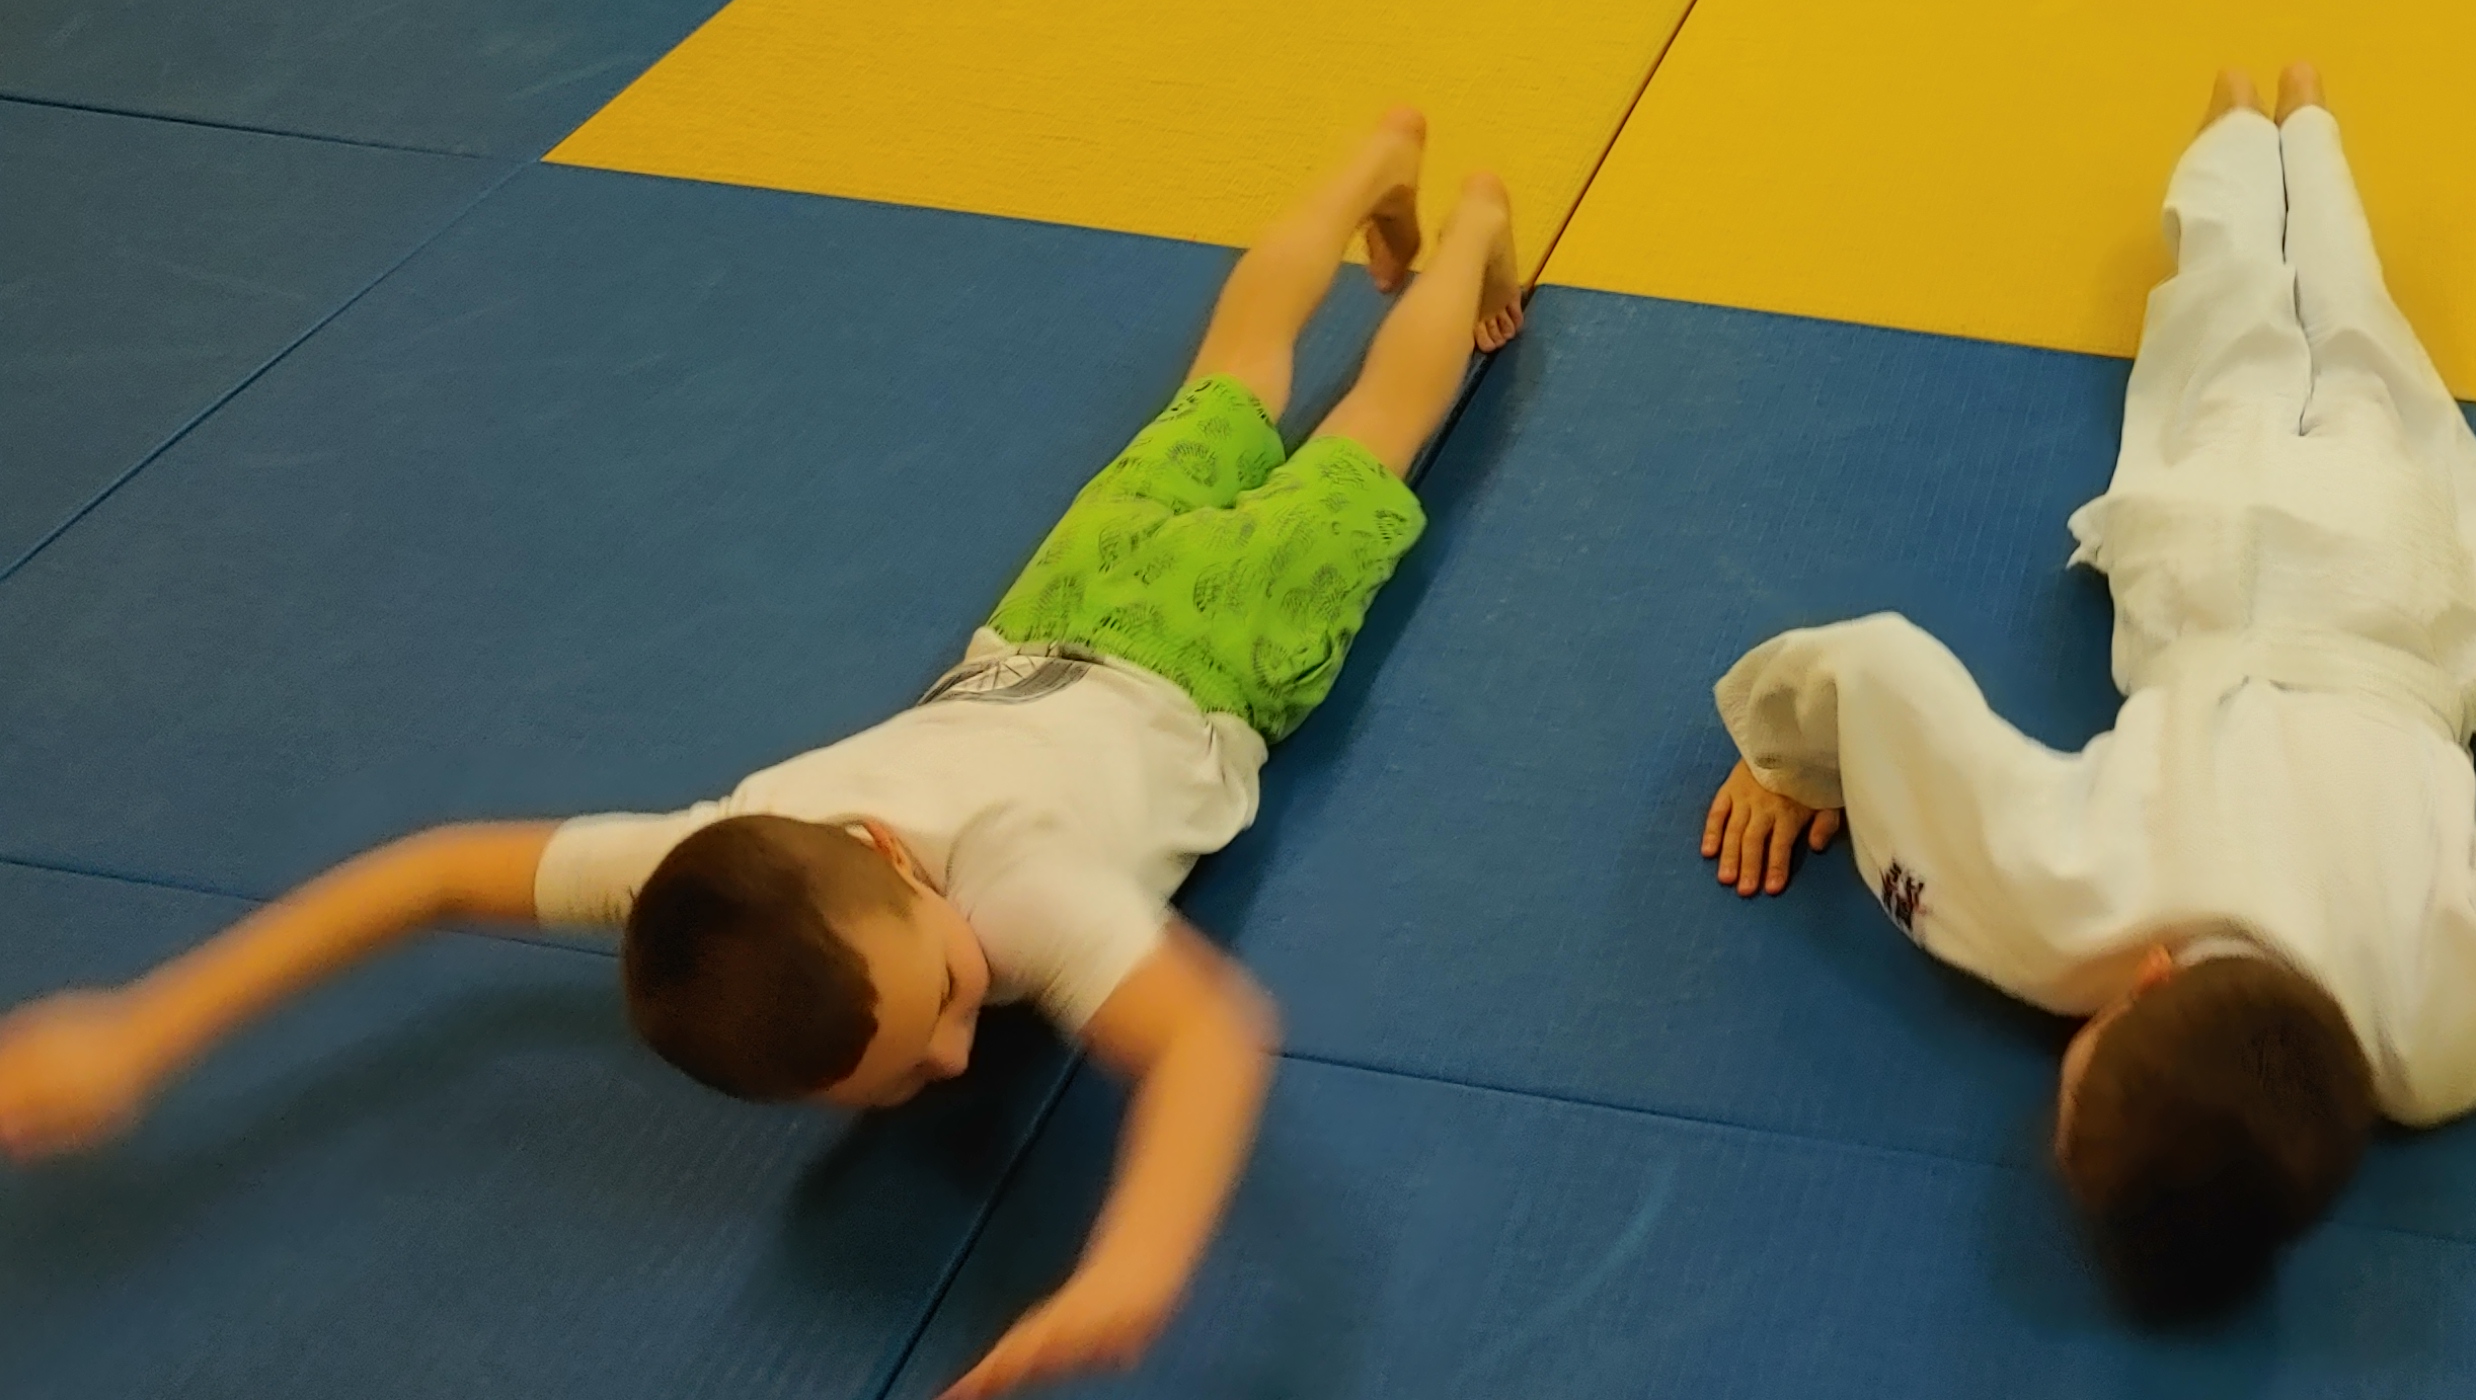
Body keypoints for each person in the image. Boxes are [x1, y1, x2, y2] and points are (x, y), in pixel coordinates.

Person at [0, 113, 1527, 1400]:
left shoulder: (1017, 889)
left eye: (939, 1007)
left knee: (1382, 416)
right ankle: (1365, 166)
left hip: (1220, 652)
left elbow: (1205, 1045)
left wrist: (1133, 1266)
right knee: (1234, 371)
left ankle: (1470, 229)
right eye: (905, 1066)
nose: (955, 1057)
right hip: (1060, 608)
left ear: (894, 867)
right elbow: (431, 875)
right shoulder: (712, 855)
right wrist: (144, 1028)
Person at [1698, 64, 2476, 1324]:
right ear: (2141, 988)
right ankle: (2253, 121)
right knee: (2228, 332)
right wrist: (1791, 755)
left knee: (2358, 343)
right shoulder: (2064, 914)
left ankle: (2295, 116)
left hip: (2386, 575)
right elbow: (1878, 669)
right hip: (2204, 556)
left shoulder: (2435, 1040)